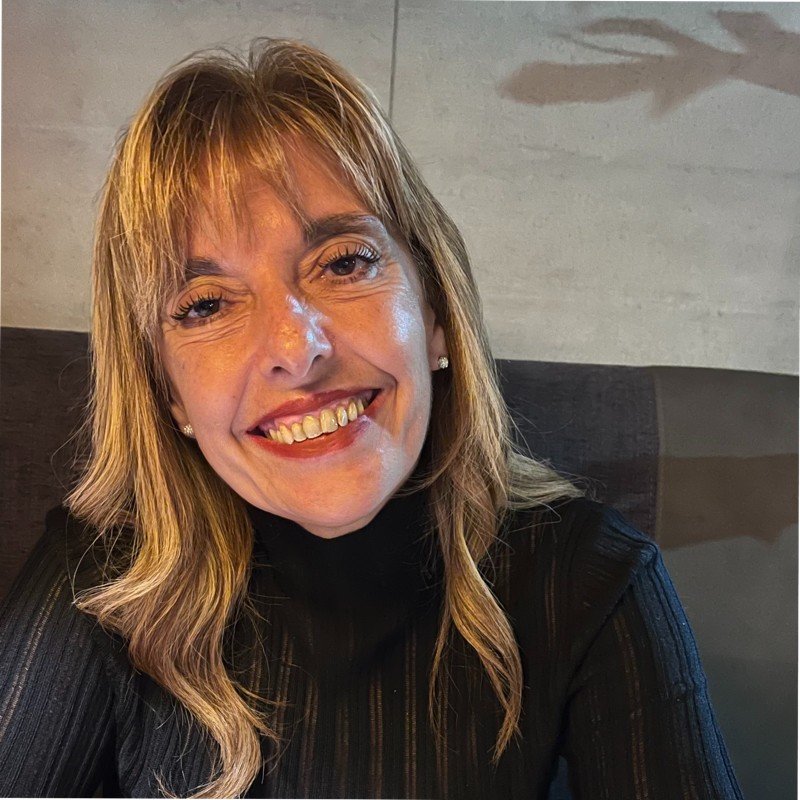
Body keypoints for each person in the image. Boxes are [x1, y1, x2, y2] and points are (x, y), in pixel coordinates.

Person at [0, 39, 743, 799]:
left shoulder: (589, 573)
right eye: (207, 305)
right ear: (169, 395)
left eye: (344, 262)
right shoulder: (95, 580)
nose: (296, 351)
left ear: (435, 312)